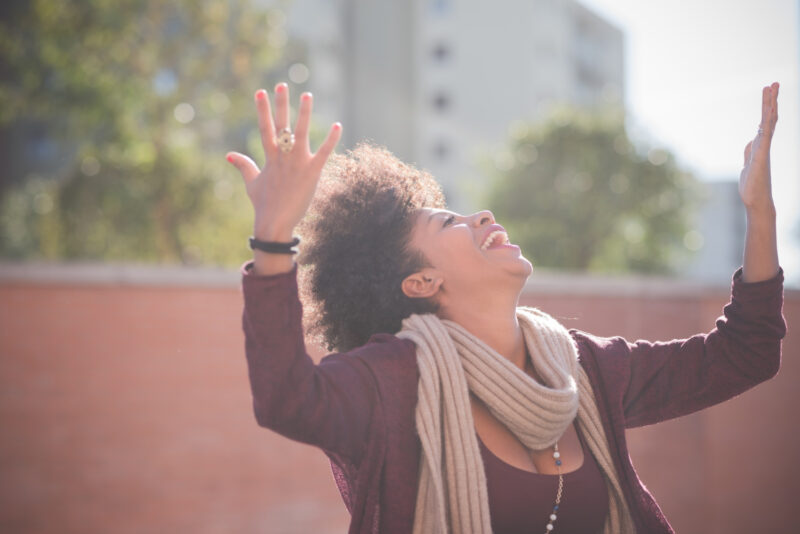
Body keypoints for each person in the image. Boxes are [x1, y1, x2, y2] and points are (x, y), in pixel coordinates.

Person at [226, 82, 785, 534]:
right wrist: (274, 236)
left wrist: (759, 213)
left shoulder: (584, 370)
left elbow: (746, 353)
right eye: (450, 223)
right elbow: (287, 399)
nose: (484, 216)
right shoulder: (391, 383)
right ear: (422, 281)